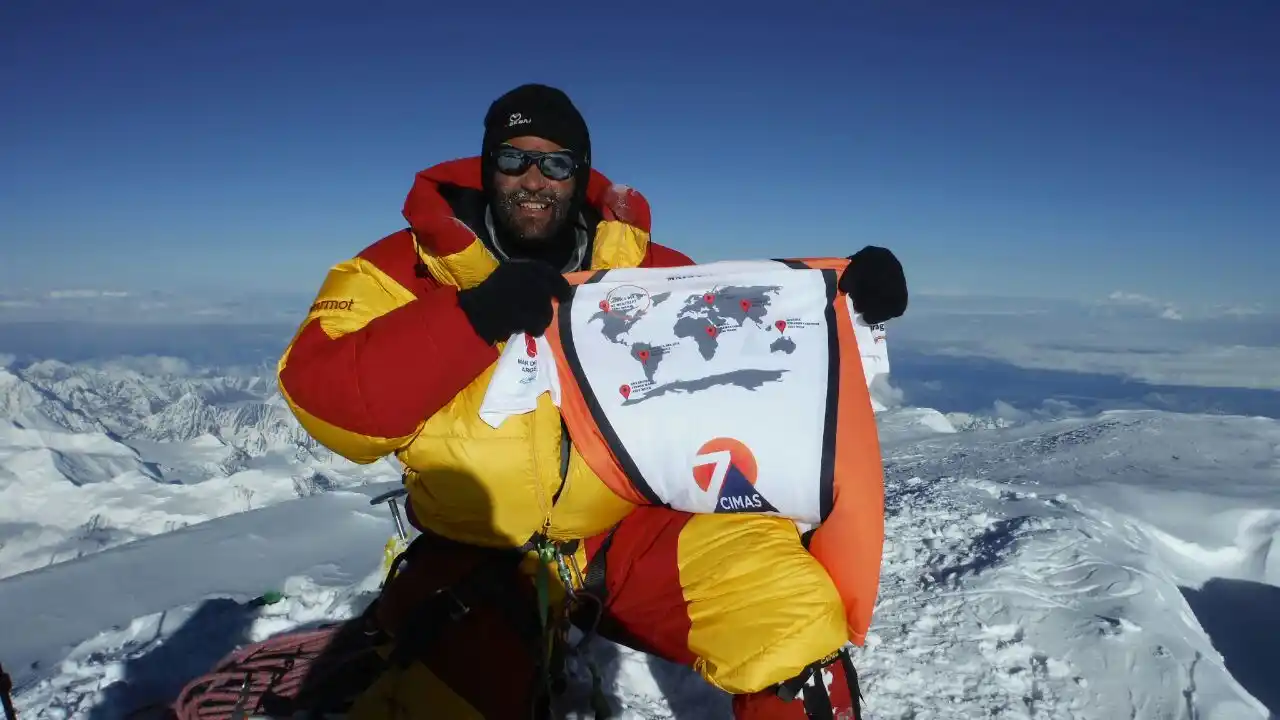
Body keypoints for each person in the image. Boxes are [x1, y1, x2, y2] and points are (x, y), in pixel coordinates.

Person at [276, 83, 908, 719]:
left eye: (555, 163)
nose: (533, 179)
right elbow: (329, 403)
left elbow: (746, 332)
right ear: (486, 164)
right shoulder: (401, 269)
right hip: (480, 550)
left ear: (579, 175)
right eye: (513, 158)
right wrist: (468, 321)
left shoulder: (647, 270)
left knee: (789, 625)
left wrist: (847, 301)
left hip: (623, 530)